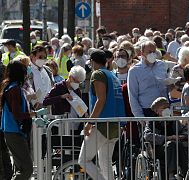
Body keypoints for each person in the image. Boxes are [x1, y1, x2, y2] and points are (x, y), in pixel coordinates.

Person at [78, 49, 125, 180]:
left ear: (92, 62)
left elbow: (101, 99)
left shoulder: (97, 74)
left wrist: (89, 122)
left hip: (102, 124)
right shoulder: (112, 76)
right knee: (106, 164)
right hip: (115, 124)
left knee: (83, 160)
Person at [0, 61, 48, 180]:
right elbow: (17, 114)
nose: (27, 73)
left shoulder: (12, 87)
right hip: (14, 132)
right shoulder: (14, 89)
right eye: (25, 71)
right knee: (27, 169)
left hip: (13, 131)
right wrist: (35, 114)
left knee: (21, 168)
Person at [144, 97, 189, 179]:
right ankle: (171, 174)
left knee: (178, 144)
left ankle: (185, 172)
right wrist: (167, 138)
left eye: (168, 107)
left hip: (175, 147)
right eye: (164, 108)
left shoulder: (173, 121)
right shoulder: (152, 122)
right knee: (171, 144)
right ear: (157, 111)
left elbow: (188, 131)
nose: (167, 110)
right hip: (159, 149)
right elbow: (147, 135)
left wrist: (181, 136)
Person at [127, 41, 167, 117]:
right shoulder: (134, 71)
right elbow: (133, 96)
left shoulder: (161, 65)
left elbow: (166, 85)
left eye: (154, 51)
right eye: (149, 52)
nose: (152, 54)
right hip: (147, 110)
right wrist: (140, 117)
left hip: (164, 109)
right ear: (142, 53)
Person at [43, 66, 86, 133]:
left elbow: (80, 106)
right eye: (77, 82)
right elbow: (45, 101)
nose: (77, 84)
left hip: (74, 127)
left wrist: (84, 112)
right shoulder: (58, 86)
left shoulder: (77, 90)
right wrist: (61, 97)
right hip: (60, 126)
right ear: (71, 77)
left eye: (79, 83)